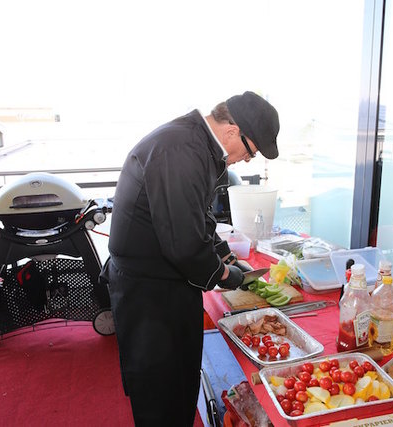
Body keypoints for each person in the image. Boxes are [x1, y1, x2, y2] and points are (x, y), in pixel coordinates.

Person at [101, 91, 280, 426]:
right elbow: (183, 244)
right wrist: (224, 275)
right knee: (161, 397)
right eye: (251, 152)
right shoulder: (180, 151)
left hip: (169, 283)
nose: (246, 160)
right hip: (149, 292)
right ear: (232, 131)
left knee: (182, 385)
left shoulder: (197, 145)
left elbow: (198, 217)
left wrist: (224, 254)